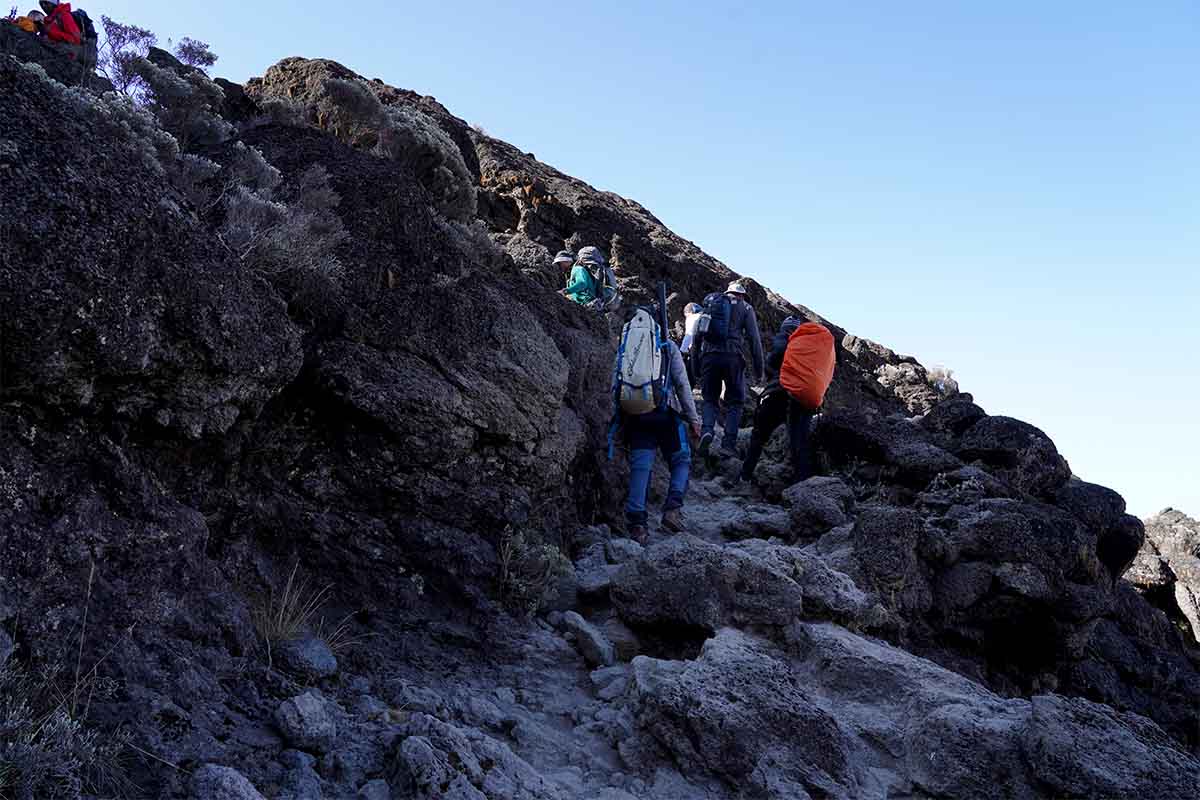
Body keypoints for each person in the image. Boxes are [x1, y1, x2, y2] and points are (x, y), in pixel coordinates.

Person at [613, 307, 702, 543]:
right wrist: (693, 419)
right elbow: (682, 385)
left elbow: (616, 381)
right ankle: (672, 510)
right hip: (665, 413)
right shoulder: (666, 345)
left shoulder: (626, 343)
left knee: (641, 466)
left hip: (634, 413)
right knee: (681, 459)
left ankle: (637, 526)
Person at [698, 280, 764, 460]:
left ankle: (707, 431)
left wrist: (696, 366)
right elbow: (754, 339)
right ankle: (728, 445)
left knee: (709, 398)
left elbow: (699, 333)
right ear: (742, 295)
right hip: (733, 357)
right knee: (736, 401)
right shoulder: (746, 308)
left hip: (709, 356)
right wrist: (760, 371)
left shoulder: (712, 302)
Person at [739, 316, 810, 483]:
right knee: (798, 440)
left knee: (758, 436)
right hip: (801, 397)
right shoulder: (807, 347)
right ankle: (802, 483)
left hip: (777, 392)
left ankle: (745, 476)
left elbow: (772, 361)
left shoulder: (783, 339)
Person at [680, 302, 703, 385]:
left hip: (695, 350)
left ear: (689, 312)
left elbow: (689, 335)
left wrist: (682, 350)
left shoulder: (692, 318)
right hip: (709, 350)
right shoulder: (705, 317)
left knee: (690, 373)